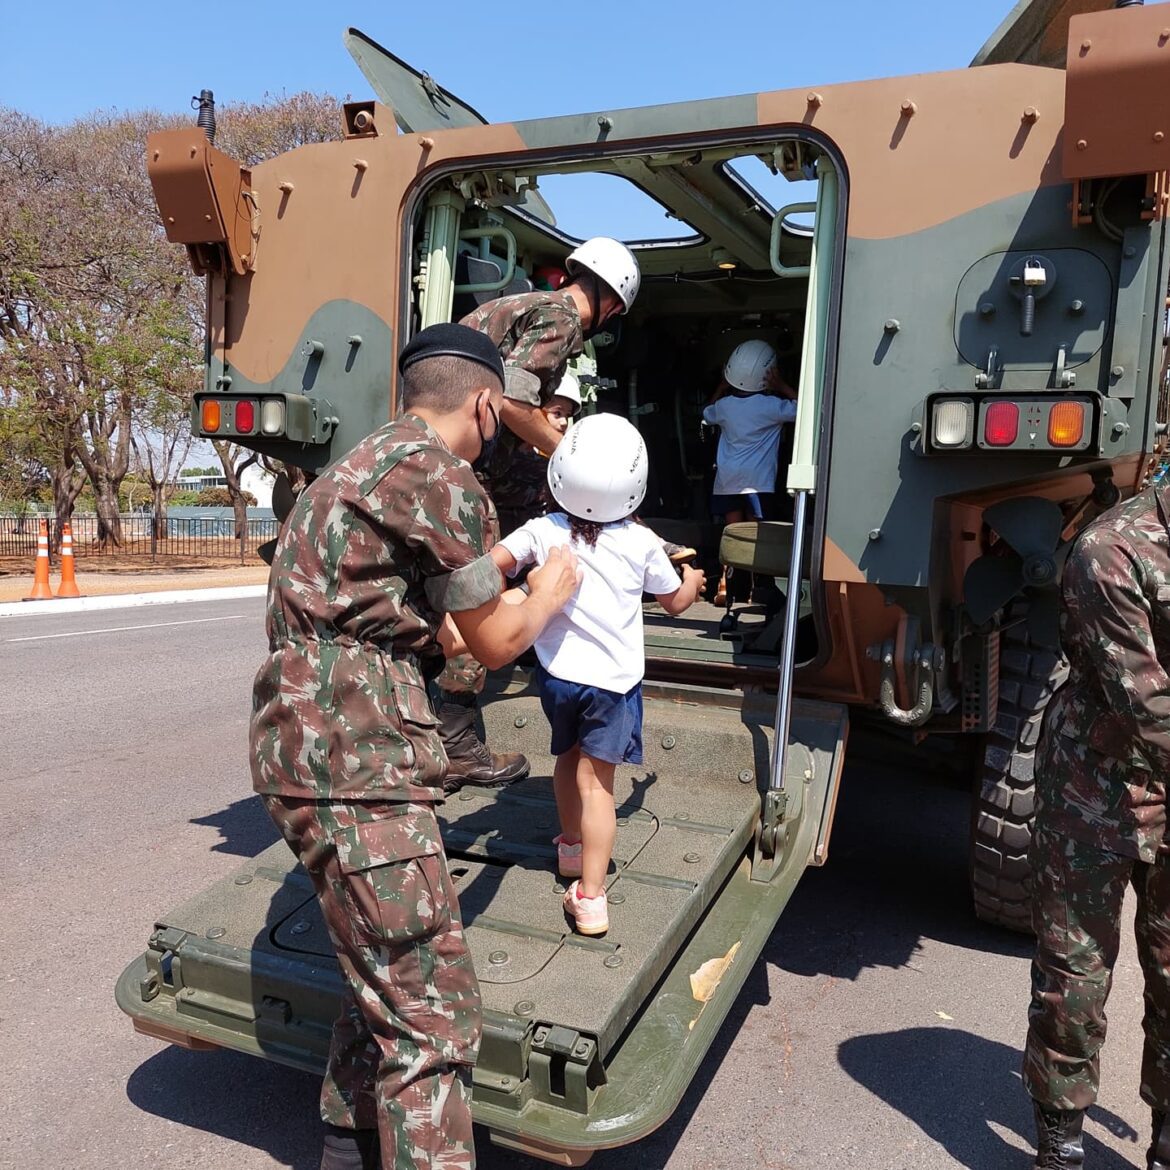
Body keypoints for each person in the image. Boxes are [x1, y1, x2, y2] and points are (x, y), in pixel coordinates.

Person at [249, 323, 581, 1170]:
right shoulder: (443, 477)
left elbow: (426, 623)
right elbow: (499, 639)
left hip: (307, 738)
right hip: (356, 754)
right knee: (433, 1016)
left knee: (384, 985)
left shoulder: (364, 462)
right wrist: (546, 591)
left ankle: (347, 1146)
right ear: (483, 401)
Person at [433, 237, 642, 793]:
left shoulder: (520, 305)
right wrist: (565, 452)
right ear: (613, 305)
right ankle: (455, 739)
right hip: (466, 462)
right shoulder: (560, 318)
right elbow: (512, 403)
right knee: (482, 584)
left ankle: (522, 640)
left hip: (451, 450)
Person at [490, 413, 705, 935]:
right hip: (613, 685)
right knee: (599, 786)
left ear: (558, 473)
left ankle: (570, 848)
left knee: (566, 758)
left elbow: (494, 562)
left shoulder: (543, 531)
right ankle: (590, 895)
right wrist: (694, 581)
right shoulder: (641, 543)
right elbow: (674, 603)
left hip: (558, 678)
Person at [1023, 480, 1170, 1170]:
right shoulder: (1108, 552)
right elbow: (1146, 702)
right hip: (1096, 790)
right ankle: (1061, 1133)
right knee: (1075, 972)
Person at [703, 339, 798, 526]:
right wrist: (782, 386)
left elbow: (707, 412)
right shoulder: (772, 406)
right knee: (755, 532)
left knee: (733, 530)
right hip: (758, 480)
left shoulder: (724, 406)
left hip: (727, 478)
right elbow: (805, 410)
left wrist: (721, 388)